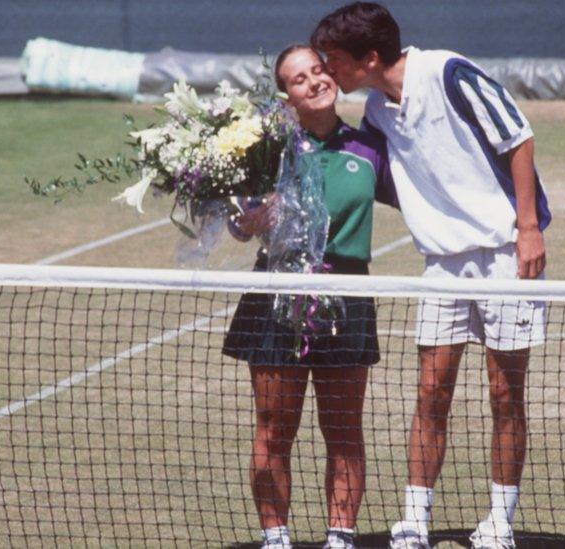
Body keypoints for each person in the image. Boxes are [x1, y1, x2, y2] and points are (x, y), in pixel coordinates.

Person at [311, 4, 551, 548]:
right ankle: (414, 521)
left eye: (335, 61)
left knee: (505, 392)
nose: (329, 71)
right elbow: (367, 169)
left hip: (503, 253)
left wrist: (528, 227)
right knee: (430, 391)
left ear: (369, 58)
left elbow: (518, 136)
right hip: (442, 264)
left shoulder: (448, 72)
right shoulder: (376, 110)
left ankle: (499, 523)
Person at [222, 44, 397, 549]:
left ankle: (339, 540)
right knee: (275, 430)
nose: (315, 81)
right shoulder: (266, 150)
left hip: (346, 295)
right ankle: (276, 539)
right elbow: (238, 222)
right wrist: (245, 220)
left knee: (343, 430)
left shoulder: (369, 149)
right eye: (300, 79)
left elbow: (423, 196)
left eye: (319, 70)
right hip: (277, 293)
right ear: (286, 96)